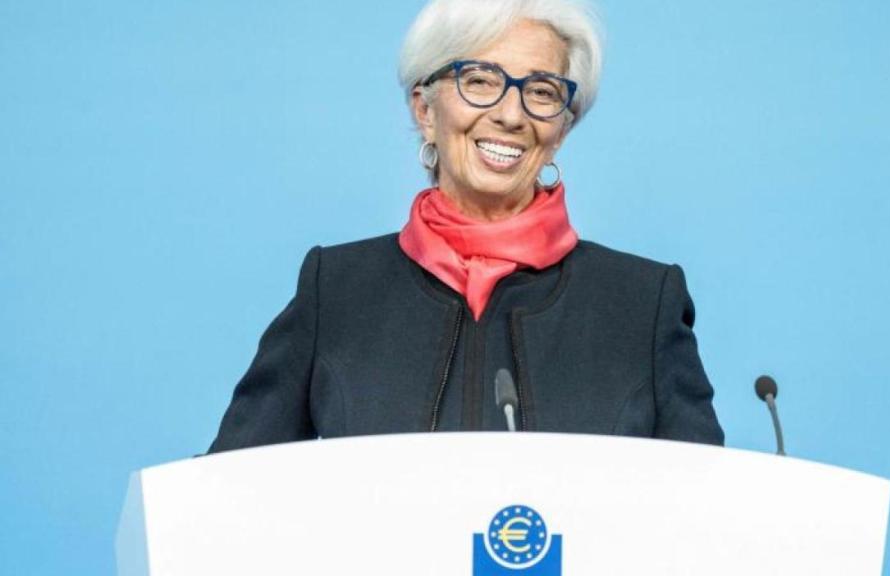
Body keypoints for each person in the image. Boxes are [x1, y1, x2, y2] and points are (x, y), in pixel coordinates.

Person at [208, 0, 723, 453]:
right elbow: (224, 498)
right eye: (480, 81)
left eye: (541, 92)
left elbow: (710, 518)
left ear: (562, 128)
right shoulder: (335, 291)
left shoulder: (641, 303)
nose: (510, 115)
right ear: (424, 108)